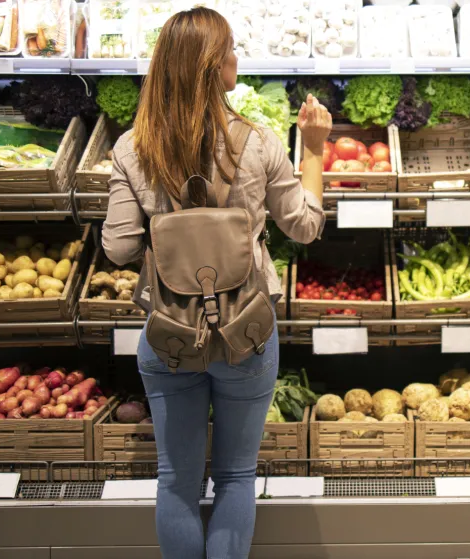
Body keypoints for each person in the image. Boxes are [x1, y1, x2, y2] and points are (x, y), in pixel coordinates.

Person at [101, 7, 330, 558]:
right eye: (228, 49)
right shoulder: (258, 142)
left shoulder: (133, 149)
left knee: (176, 480)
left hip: (169, 332)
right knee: (234, 476)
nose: (236, 58)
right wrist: (316, 149)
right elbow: (303, 226)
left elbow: (119, 247)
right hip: (245, 331)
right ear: (209, 67)